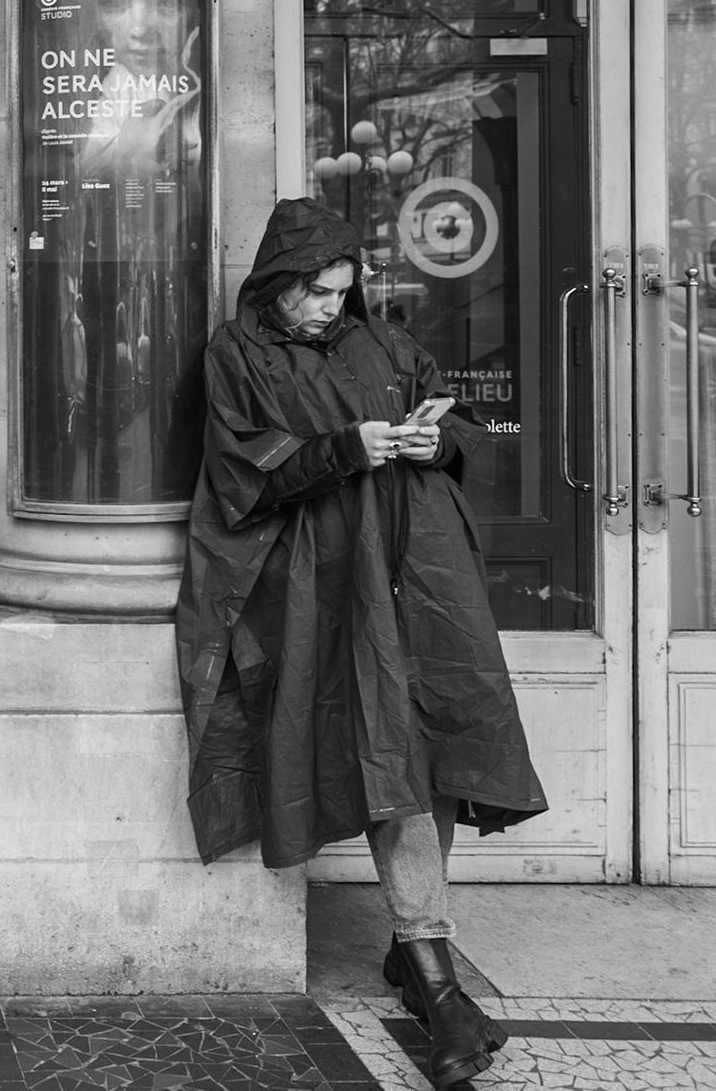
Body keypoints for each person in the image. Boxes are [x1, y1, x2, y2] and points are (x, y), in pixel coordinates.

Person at [175, 197, 547, 1091]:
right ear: (277, 284)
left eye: (342, 293)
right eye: (314, 295)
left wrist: (431, 439)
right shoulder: (239, 353)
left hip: (420, 565)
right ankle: (436, 982)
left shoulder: (383, 341)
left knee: (440, 739)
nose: (329, 309)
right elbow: (240, 469)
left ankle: (418, 959)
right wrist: (348, 446)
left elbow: (455, 426)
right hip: (327, 575)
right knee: (391, 748)